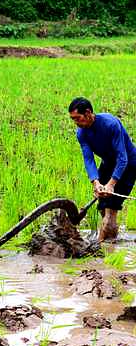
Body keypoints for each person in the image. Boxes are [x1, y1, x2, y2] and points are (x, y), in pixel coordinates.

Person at [68, 97, 136, 242]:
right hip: (108, 163)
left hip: (128, 164)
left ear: (88, 113)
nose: (76, 123)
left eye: (78, 118)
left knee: (111, 208)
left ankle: (103, 248)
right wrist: (96, 182)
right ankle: (110, 241)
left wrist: (111, 184)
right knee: (102, 206)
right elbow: (88, 159)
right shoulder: (82, 133)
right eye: (73, 119)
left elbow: (122, 158)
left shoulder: (111, 124)